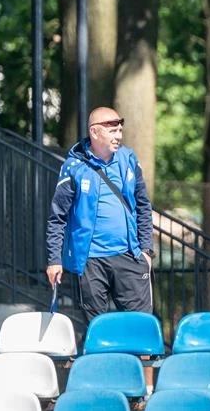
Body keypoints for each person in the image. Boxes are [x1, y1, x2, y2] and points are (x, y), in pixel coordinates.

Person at [45, 107, 154, 320]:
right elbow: (57, 217)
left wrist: (146, 251)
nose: (119, 136)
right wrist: (54, 260)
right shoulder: (74, 167)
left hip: (129, 255)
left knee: (140, 326)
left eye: (120, 131)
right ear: (94, 132)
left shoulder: (129, 160)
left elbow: (143, 206)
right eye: (113, 131)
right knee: (96, 326)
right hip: (91, 260)